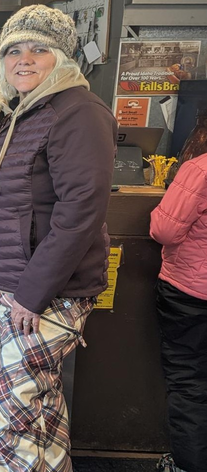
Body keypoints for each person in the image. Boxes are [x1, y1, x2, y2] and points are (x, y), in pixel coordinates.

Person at [0, 5, 117, 471]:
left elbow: (80, 212)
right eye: (13, 50)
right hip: (13, 283)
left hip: (47, 292)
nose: (23, 60)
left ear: (62, 59)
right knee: (38, 405)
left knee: (13, 411)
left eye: (38, 49)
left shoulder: (79, 112)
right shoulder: (10, 109)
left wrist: (33, 294)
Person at [150, 150, 207, 472]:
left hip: (191, 292)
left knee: (189, 382)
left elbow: (165, 231)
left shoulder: (200, 169)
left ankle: (189, 465)